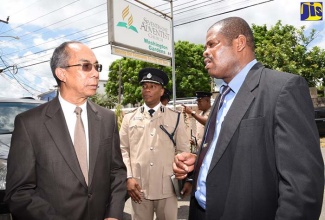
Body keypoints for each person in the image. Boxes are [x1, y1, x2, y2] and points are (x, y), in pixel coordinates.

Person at [173, 17, 324, 220]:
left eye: (212, 44)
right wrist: (200, 162)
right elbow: (234, 150)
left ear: (239, 43)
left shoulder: (282, 89)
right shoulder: (222, 96)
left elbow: (302, 187)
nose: (205, 52)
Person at [5, 41, 127, 220]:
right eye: (86, 66)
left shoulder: (107, 118)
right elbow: (19, 193)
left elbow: (117, 172)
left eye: (96, 66)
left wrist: (114, 214)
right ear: (61, 73)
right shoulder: (29, 124)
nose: (96, 73)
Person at [119, 67, 190, 220]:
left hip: (166, 187)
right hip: (138, 186)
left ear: (162, 91)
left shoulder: (175, 118)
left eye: (152, 86)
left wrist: (185, 177)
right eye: (144, 86)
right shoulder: (129, 118)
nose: (147, 90)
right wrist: (129, 177)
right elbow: (123, 150)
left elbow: (183, 151)